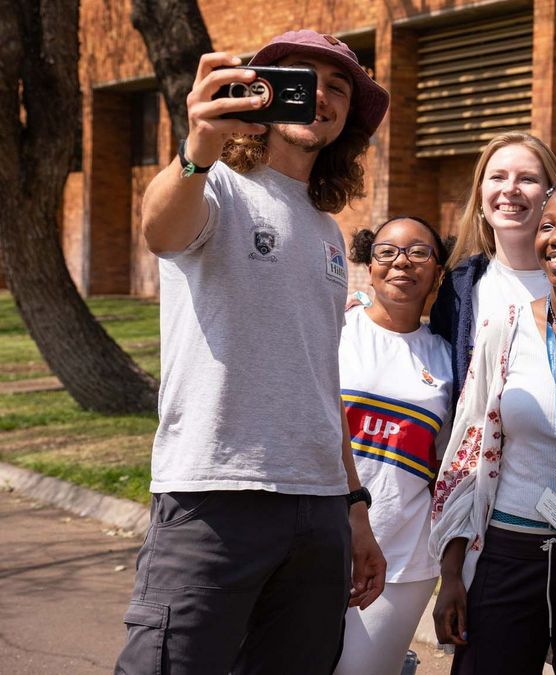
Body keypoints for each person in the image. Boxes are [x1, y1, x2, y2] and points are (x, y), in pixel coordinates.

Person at [116, 30, 389, 673]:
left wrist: (353, 509)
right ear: (259, 92)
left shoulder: (327, 231)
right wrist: (196, 151)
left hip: (318, 505)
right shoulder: (216, 187)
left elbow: (319, 379)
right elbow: (159, 229)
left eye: (339, 89)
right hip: (215, 494)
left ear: (348, 118)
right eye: (303, 80)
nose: (320, 96)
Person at [430, 180, 556, 674]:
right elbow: (467, 450)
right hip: (508, 552)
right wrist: (453, 573)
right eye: (548, 225)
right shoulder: (506, 327)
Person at [333, 217, 453, 675]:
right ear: (369, 264)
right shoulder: (337, 329)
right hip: (320, 540)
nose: (402, 262)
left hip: (404, 555)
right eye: (387, 251)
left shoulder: (447, 357)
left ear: (438, 271)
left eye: (419, 252)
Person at [430, 132, 556, 397]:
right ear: (480, 195)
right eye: (498, 177)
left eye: (527, 179)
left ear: (551, 195)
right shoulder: (458, 287)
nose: (510, 189)